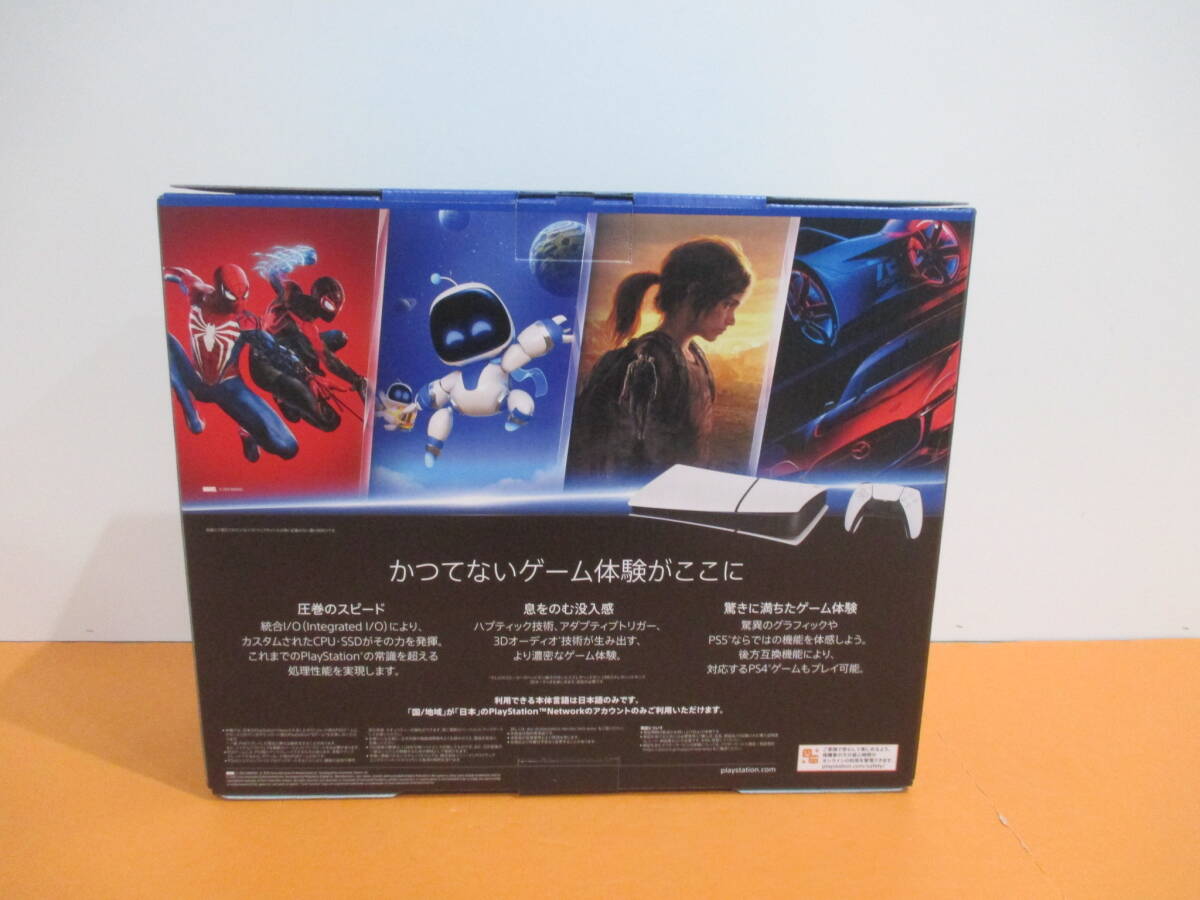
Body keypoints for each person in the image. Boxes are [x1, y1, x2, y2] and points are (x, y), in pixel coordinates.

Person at [568, 237, 752, 479]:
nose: (732, 320)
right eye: (727, 304)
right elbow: (615, 455)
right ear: (693, 292)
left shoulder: (696, 357)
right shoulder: (647, 361)